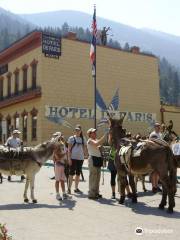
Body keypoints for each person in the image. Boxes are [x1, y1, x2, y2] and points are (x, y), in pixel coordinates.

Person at [87, 128, 107, 199]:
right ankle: (91, 194)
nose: (95, 133)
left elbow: (99, 145)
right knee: (93, 177)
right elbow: (96, 144)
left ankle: (96, 192)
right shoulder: (90, 140)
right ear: (90, 134)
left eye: (95, 132)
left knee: (97, 177)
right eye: (93, 132)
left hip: (98, 159)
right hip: (92, 159)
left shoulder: (96, 140)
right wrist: (105, 135)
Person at [67, 125, 87, 194]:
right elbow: (69, 149)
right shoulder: (71, 138)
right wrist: (69, 159)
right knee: (71, 174)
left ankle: (76, 188)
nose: (77, 131)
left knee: (78, 174)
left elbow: (84, 148)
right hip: (73, 158)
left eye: (78, 130)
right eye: (76, 130)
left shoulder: (83, 138)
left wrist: (85, 156)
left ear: (81, 131)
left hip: (80, 159)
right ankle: (69, 188)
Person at [53, 132, 68, 200]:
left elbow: (66, 154)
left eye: (62, 137)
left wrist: (66, 160)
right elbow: (57, 157)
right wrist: (64, 155)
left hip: (63, 165)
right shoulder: (56, 146)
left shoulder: (63, 145)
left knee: (62, 180)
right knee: (57, 180)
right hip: (58, 165)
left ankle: (64, 193)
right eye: (60, 138)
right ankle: (57, 194)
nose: (61, 139)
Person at [149, 123, 162, 193]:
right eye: (157, 126)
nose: (159, 127)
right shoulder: (152, 134)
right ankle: (154, 187)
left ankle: (156, 186)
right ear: (155, 127)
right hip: (153, 155)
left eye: (159, 126)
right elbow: (150, 144)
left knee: (158, 172)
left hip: (159, 155)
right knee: (154, 172)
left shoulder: (160, 134)